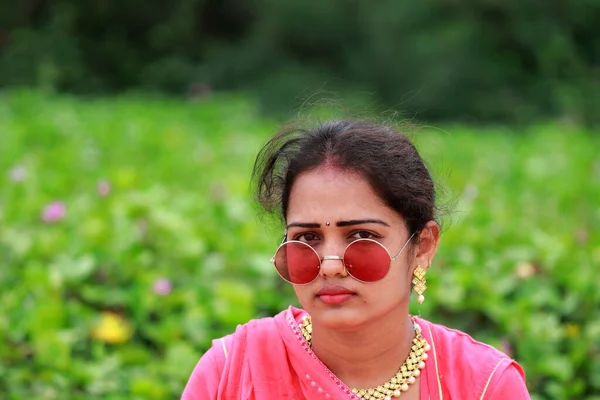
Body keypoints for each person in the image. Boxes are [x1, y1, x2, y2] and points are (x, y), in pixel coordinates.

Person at [182, 119, 530, 399]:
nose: (330, 264)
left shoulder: (485, 386)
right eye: (307, 238)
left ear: (422, 246)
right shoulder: (230, 372)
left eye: (362, 236)